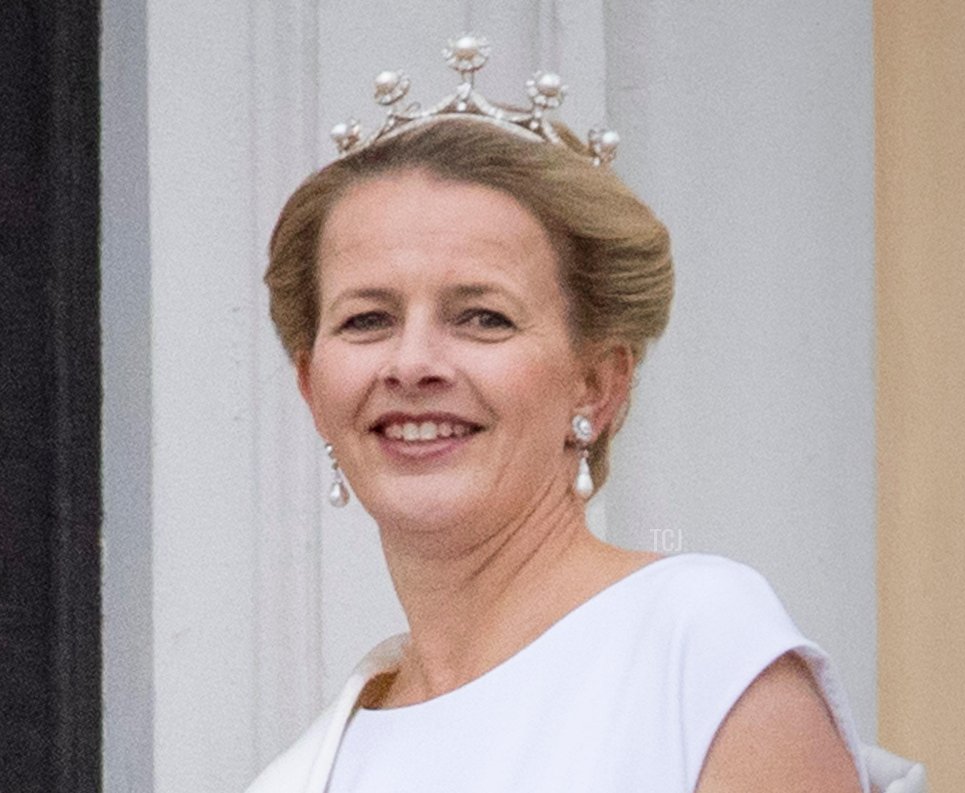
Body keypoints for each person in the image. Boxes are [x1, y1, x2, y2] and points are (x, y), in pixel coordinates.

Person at [246, 35, 868, 793]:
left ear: (596, 385)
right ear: (313, 389)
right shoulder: (302, 777)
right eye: (367, 320)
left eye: (482, 317)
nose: (411, 364)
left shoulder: (698, 655)